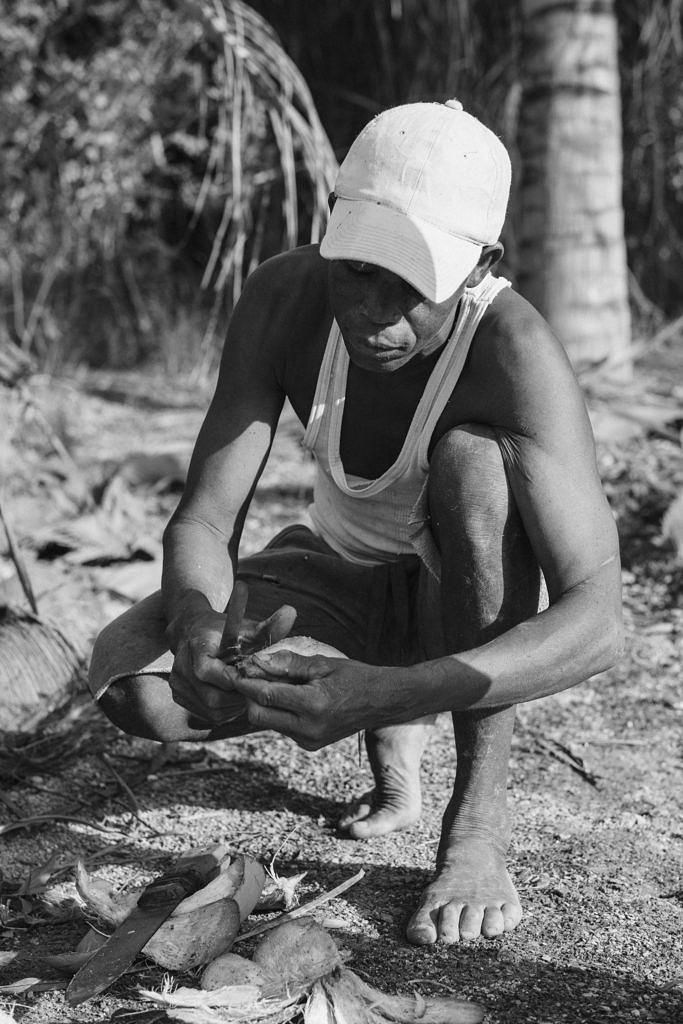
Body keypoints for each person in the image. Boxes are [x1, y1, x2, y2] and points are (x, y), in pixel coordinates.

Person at [89, 98, 623, 946]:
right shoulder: (284, 296)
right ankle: (377, 709)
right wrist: (196, 620)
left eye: (412, 282)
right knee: (142, 693)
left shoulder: (513, 351)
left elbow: (599, 620)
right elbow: (203, 517)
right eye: (359, 269)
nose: (377, 308)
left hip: (458, 611)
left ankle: (474, 823)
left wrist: (404, 689)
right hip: (333, 582)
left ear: (481, 264)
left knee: (472, 464)